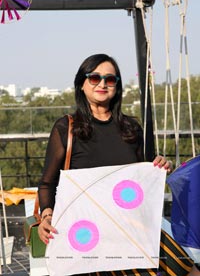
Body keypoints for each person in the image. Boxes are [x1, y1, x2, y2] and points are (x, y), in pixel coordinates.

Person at [38, 53, 198, 275]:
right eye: (94, 77)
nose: (102, 84)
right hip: (90, 238)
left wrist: (158, 165)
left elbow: (140, 183)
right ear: (81, 84)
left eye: (110, 79)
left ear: (117, 87)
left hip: (135, 231)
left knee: (187, 269)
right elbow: (47, 182)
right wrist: (46, 216)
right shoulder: (66, 128)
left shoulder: (132, 128)